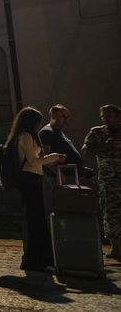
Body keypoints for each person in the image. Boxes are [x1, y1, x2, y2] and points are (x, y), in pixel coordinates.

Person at [6, 107, 66, 272]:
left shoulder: (23, 135)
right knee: (35, 220)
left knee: (34, 220)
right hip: (30, 180)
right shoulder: (25, 136)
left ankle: (35, 260)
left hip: (31, 180)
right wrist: (54, 157)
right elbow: (33, 161)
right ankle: (36, 261)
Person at [82, 104, 121, 259]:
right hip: (109, 181)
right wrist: (103, 146)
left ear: (118, 116)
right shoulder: (97, 132)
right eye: (103, 116)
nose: (106, 119)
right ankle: (116, 248)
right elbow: (86, 151)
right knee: (111, 214)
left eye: (109, 116)